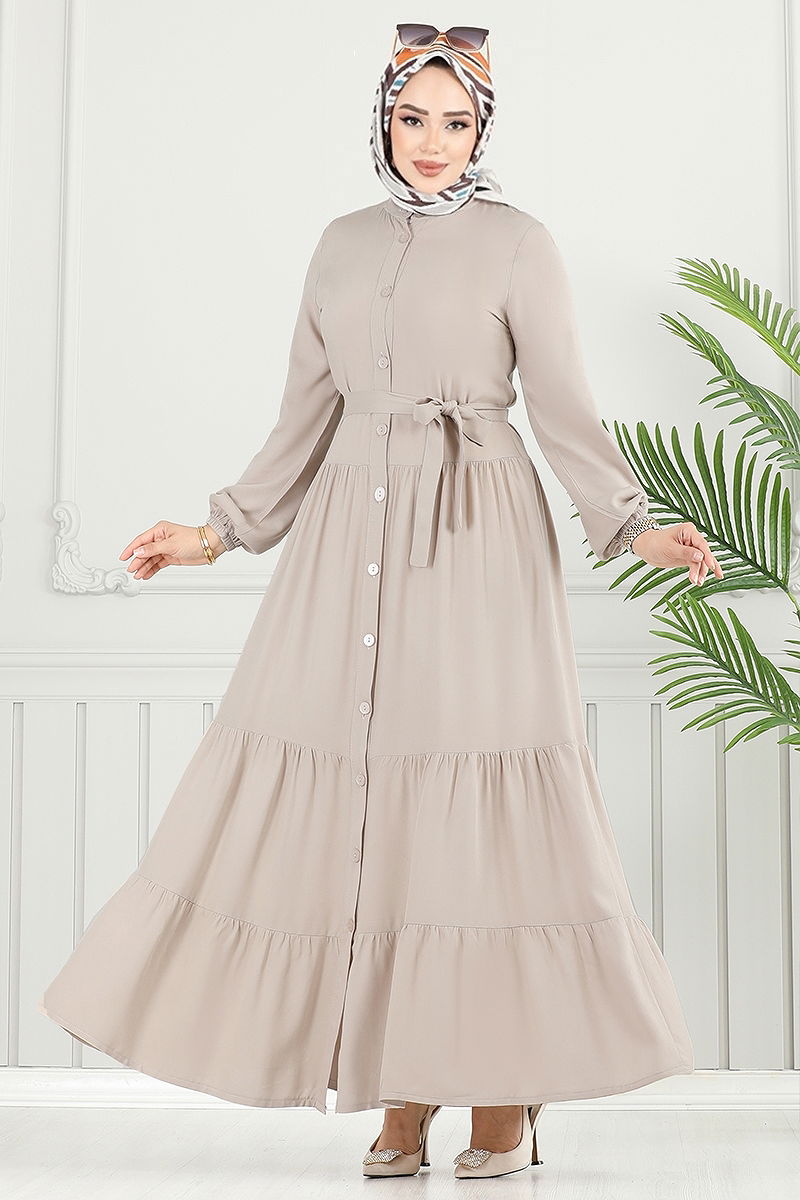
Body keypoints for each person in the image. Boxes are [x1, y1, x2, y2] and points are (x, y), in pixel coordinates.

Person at [40, 24, 722, 1182]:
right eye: (412, 118)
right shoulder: (340, 246)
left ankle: (501, 1090)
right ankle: (402, 1089)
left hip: (476, 533)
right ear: (382, 120)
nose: (431, 143)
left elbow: (563, 406)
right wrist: (218, 530)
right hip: (345, 538)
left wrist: (628, 523)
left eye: (455, 123)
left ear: (482, 131)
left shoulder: (518, 245)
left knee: (479, 811)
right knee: (372, 811)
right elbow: (303, 414)